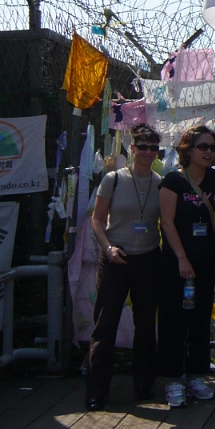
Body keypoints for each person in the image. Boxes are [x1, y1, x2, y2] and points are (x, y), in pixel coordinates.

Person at [85, 124, 163, 411]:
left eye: (153, 148)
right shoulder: (113, 180)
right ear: (132, 148)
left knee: (145, 324)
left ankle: (144, 383)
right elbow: (96, 220)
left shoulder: (159, 182)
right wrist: (108, 247)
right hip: (115, 257)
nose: (147, 152)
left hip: (148, 258)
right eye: (142, 146)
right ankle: (96, 391)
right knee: (105, 325)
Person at [157, 125, 215, 409]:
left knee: (201, 318)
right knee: (174, 320)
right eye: (203, 147)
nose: (209, 152)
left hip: (206, 260)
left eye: (213, 147)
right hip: (177, 262)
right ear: (187, 150)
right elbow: (167, 222)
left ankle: (197, 375)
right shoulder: (172, 181)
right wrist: (181, 259)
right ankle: (174, 379)